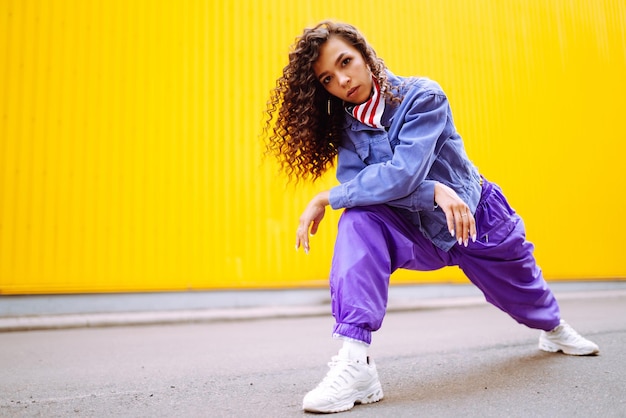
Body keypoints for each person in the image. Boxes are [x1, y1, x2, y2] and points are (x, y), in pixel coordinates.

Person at [263, 21, 599, 414]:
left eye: (345, 62)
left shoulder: (423, 96)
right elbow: (364, 187)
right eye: (327, 78)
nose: (342, 79)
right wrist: (432, 191)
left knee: (525, 291)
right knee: (357, 220)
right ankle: (356, 363)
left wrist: (326, 197)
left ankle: (554, 330)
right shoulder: (348, 128)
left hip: (474, 220)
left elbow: (403, 172)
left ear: (364, 53)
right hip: (411, 228)